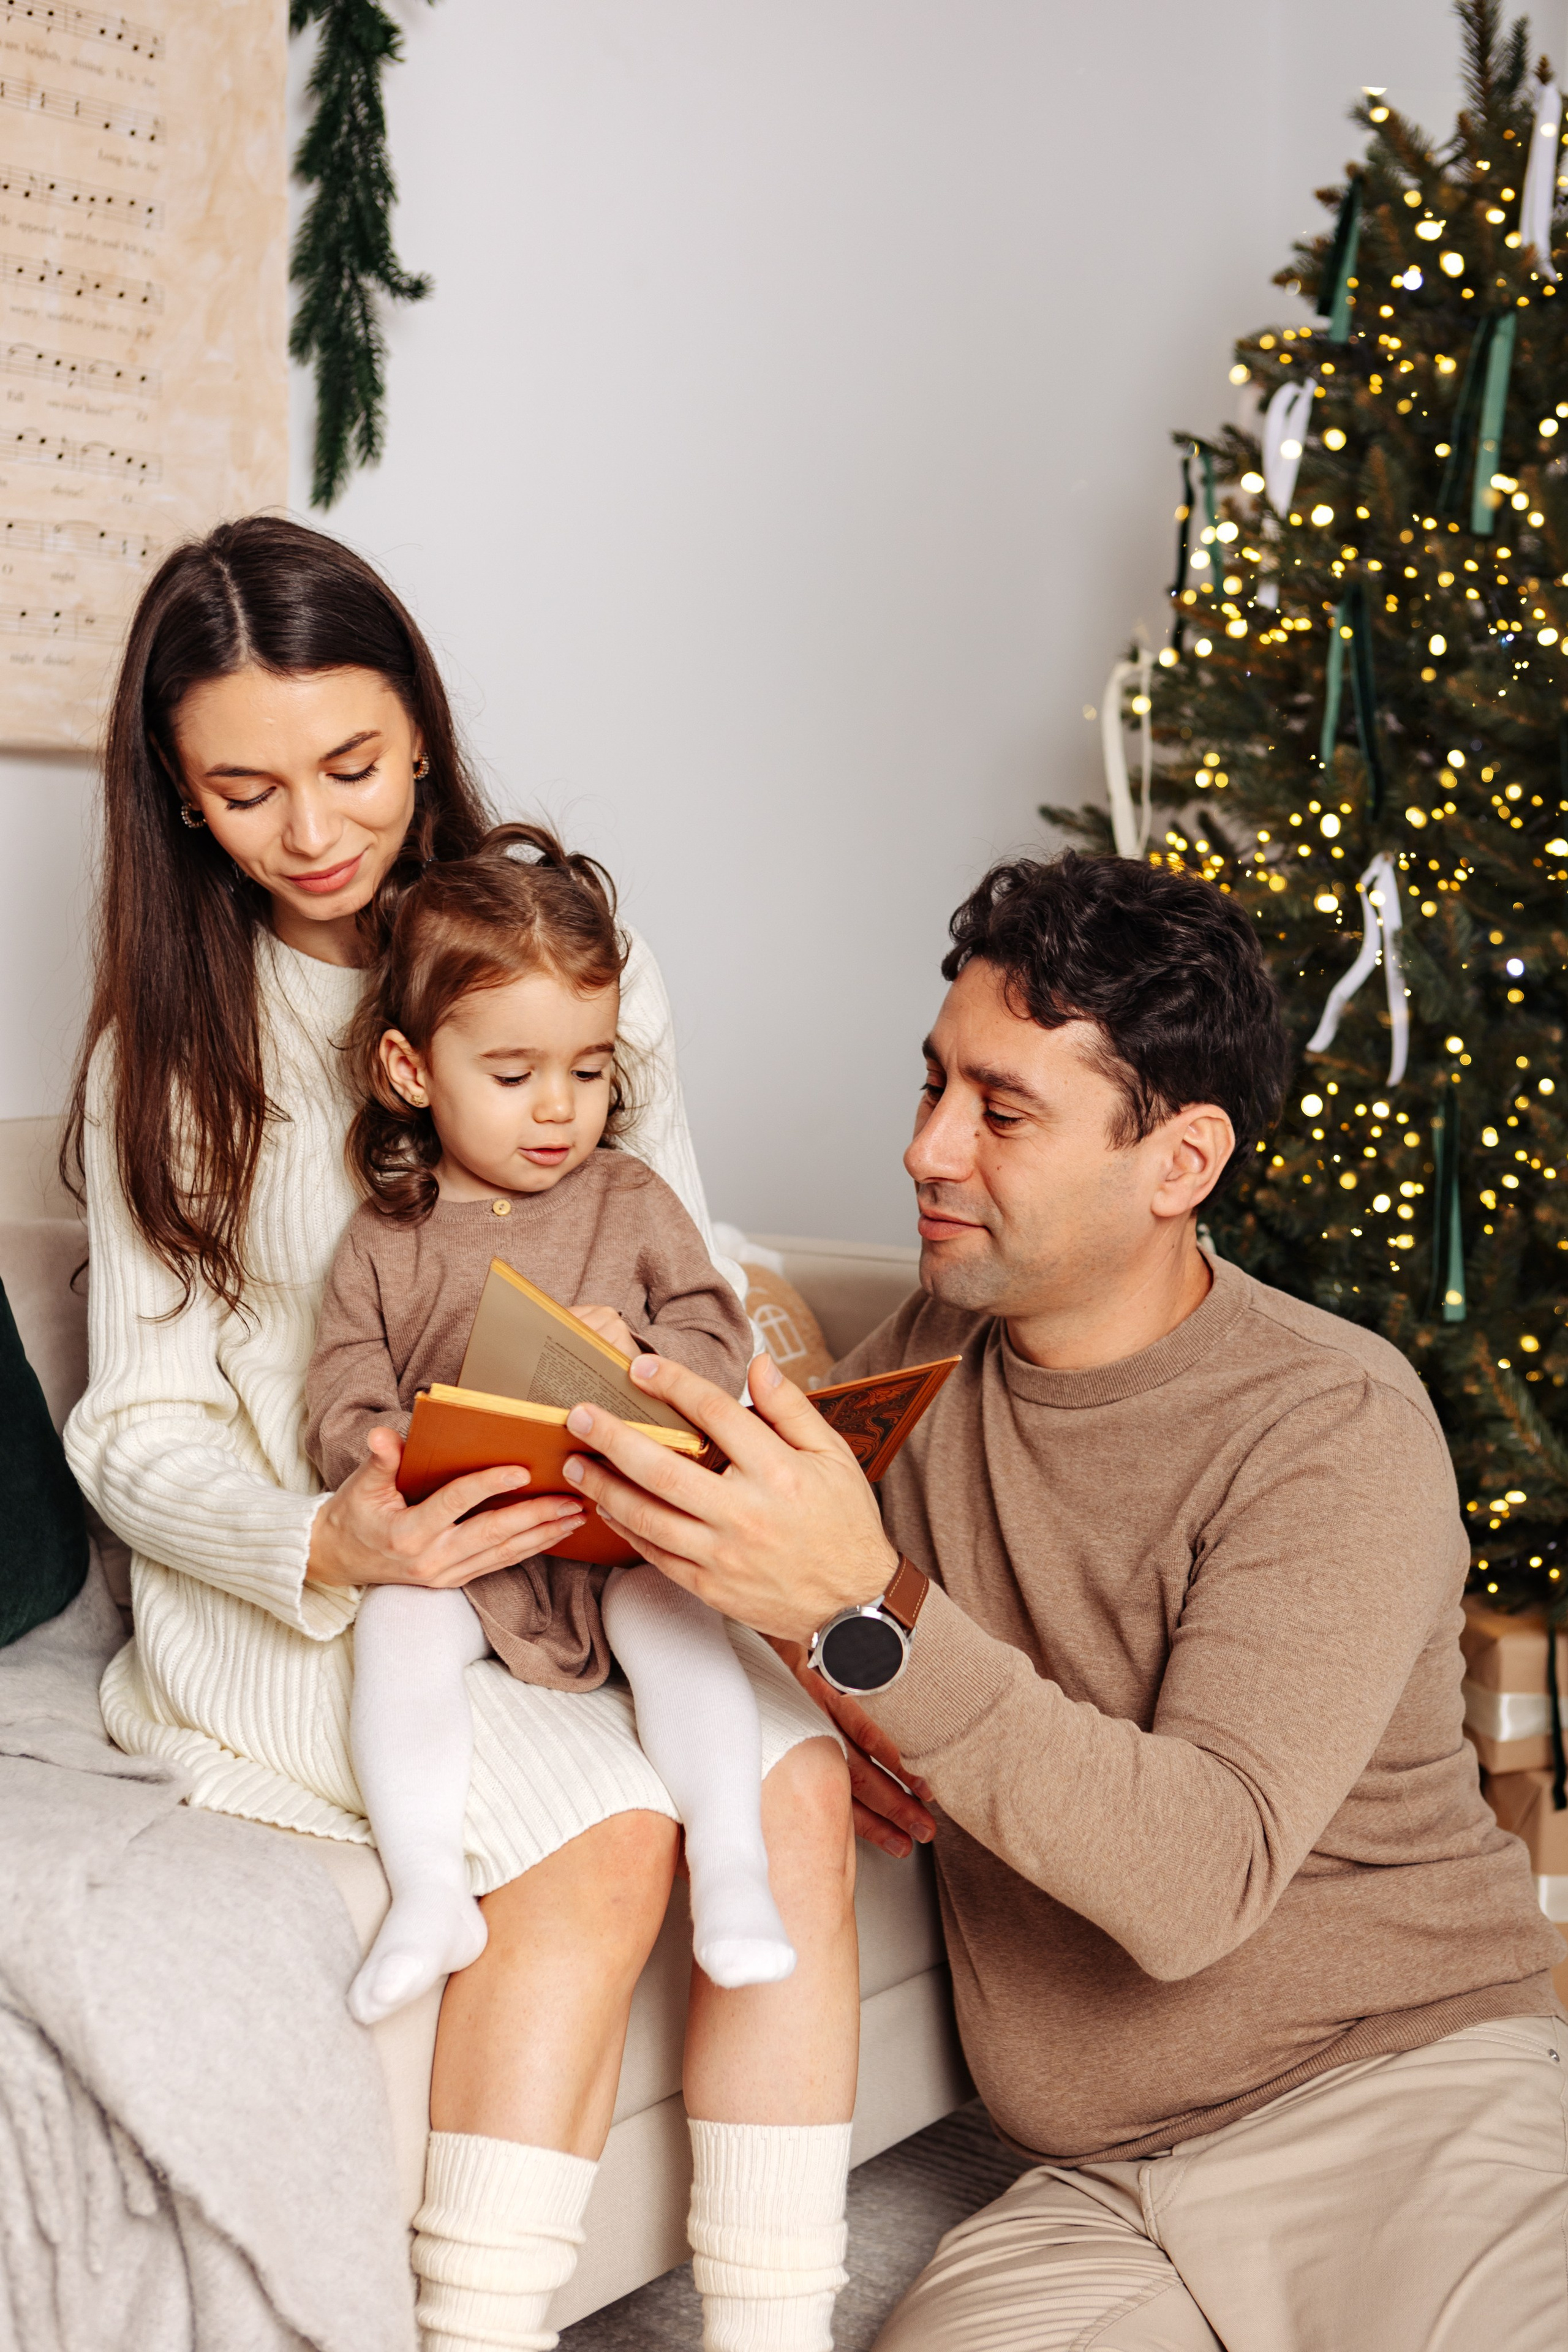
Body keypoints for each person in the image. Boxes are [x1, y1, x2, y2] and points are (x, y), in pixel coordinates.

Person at [561, 849, 1568, 2352]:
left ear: (1178, 1163)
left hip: (1401, 2097)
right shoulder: (924, 1358)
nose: (926, 1150)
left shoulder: (1331, 1426)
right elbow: (793, 1602)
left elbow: (1193, 1880)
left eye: (1002, 1112)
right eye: (933, 1087)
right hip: (1091, 2181)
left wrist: (866, 1621)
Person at [62, 517, 858, 2352]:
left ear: (420, 732)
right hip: (318, 1589)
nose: (316, 830)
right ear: (180, 801)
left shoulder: (575, 959)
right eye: (245, 791)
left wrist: (725, 1407)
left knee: (793, 1790)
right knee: (604, 1834)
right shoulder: (169, 1058)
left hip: (575, 1539)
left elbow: (683, 1243)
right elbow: (133, 1427)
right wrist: (331, 1540)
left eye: (351, 766)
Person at [306, 819, 799, 2025]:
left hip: (619, 1528)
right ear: (411, 1072)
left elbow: (714, 1332)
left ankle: (729, 1860)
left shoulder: (628, 1198)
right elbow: (338, 1393)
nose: (558, 1110)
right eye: (515, 1075)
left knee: (677, 1618)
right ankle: (428, 1888)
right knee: (403, 1633)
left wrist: (646, 1356)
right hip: (474, 1548)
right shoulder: (384, 1236)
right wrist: (381, 1447)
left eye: (587, 1072)